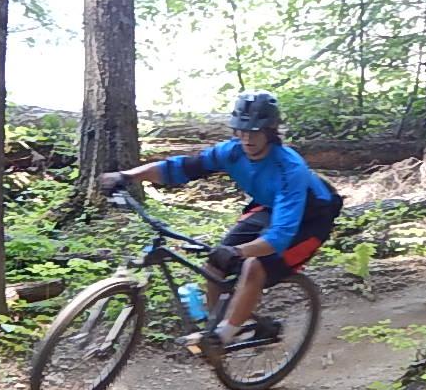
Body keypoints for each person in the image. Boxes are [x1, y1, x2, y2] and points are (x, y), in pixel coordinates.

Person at [99, 90, 342, 363]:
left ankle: (223, 336)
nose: (248, 138)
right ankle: (215, 329)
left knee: (254, 264)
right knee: (215, 262)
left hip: (311, 218)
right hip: (269, 207)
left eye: (256, 132)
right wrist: (127, 176)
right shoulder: (232, 151)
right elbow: (179, 168)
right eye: (242, 131)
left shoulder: (289, 168)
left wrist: (240, 252)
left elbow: (280, 236)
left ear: (271, 131)